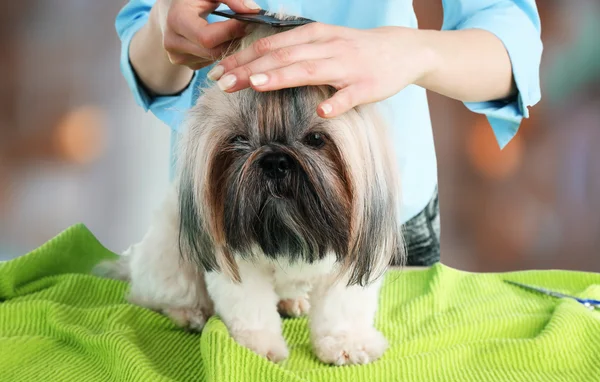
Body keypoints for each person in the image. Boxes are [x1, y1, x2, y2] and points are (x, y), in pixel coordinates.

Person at [116, 0, 542, 266]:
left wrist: (415, 52)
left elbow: (511, 41)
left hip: (377, 217)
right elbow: (146, 49)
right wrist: (162, 30)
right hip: (224, 216)